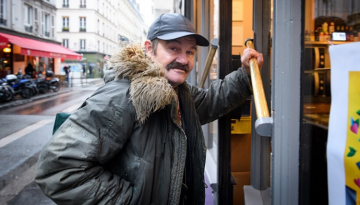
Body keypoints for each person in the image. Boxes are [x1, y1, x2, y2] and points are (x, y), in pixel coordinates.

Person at [35, 13, 263, 204]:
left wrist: (245, 75)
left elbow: (212, 101)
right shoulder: (124, 96)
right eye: (173, 48)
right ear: (149, 49)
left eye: (190, 52)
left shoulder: (178, 92)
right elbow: (58, 168)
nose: (183, 60)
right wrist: (131, 201)